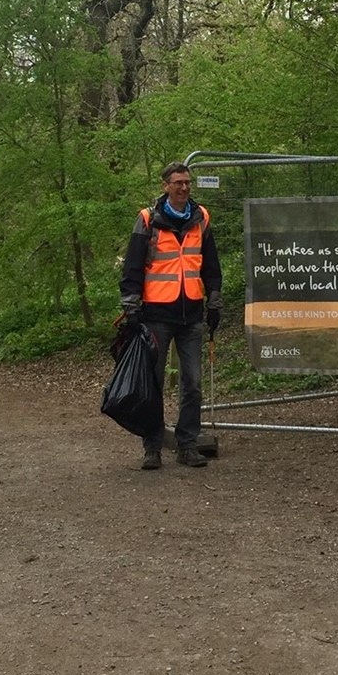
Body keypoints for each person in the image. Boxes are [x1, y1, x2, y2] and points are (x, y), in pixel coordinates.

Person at [120, 162, 223, 470]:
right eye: (178, 182)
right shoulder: (148, 220)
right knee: (152, 384)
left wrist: (214, 301)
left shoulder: (200, 218)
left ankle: (187, 445)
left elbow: (211, 266)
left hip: (191, 313)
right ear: (165, 185)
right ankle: (152, 447)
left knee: (192, 384)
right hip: (155, 316)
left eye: (187, 182)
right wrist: (131, 308)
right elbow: (132, 268)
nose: (184, 187)